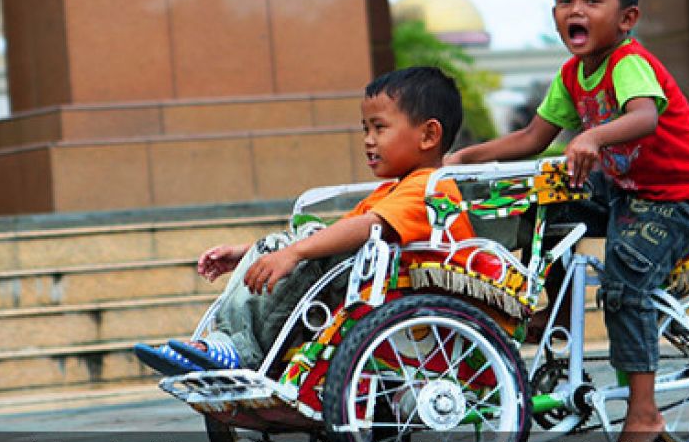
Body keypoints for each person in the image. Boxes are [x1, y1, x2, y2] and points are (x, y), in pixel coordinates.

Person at [445, 0, 689, 442]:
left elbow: (643, 117)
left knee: (626, 279)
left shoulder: (629, 63)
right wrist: (465, 157)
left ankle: (643, 416)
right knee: (546, 213)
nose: (575, 10)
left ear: (626, 19)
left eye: (592, 1)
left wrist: (593, 134)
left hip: (679, 195)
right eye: (565, 1)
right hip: (624, 190)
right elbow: (533, 138)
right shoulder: (573, 74)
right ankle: (556, 325)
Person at [135, 66, 476, 375]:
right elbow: (341, 231)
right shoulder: (393, 190)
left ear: (429, 135)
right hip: (380, 293)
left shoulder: (430, 189)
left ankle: (235, 349)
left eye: (379, 128)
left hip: (417, 302)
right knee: (298, 243)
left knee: (307, 248)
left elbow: (365, 228)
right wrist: (251, 253)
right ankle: (221, 344)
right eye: (365, 129)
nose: (368, 140)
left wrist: (294, 252)